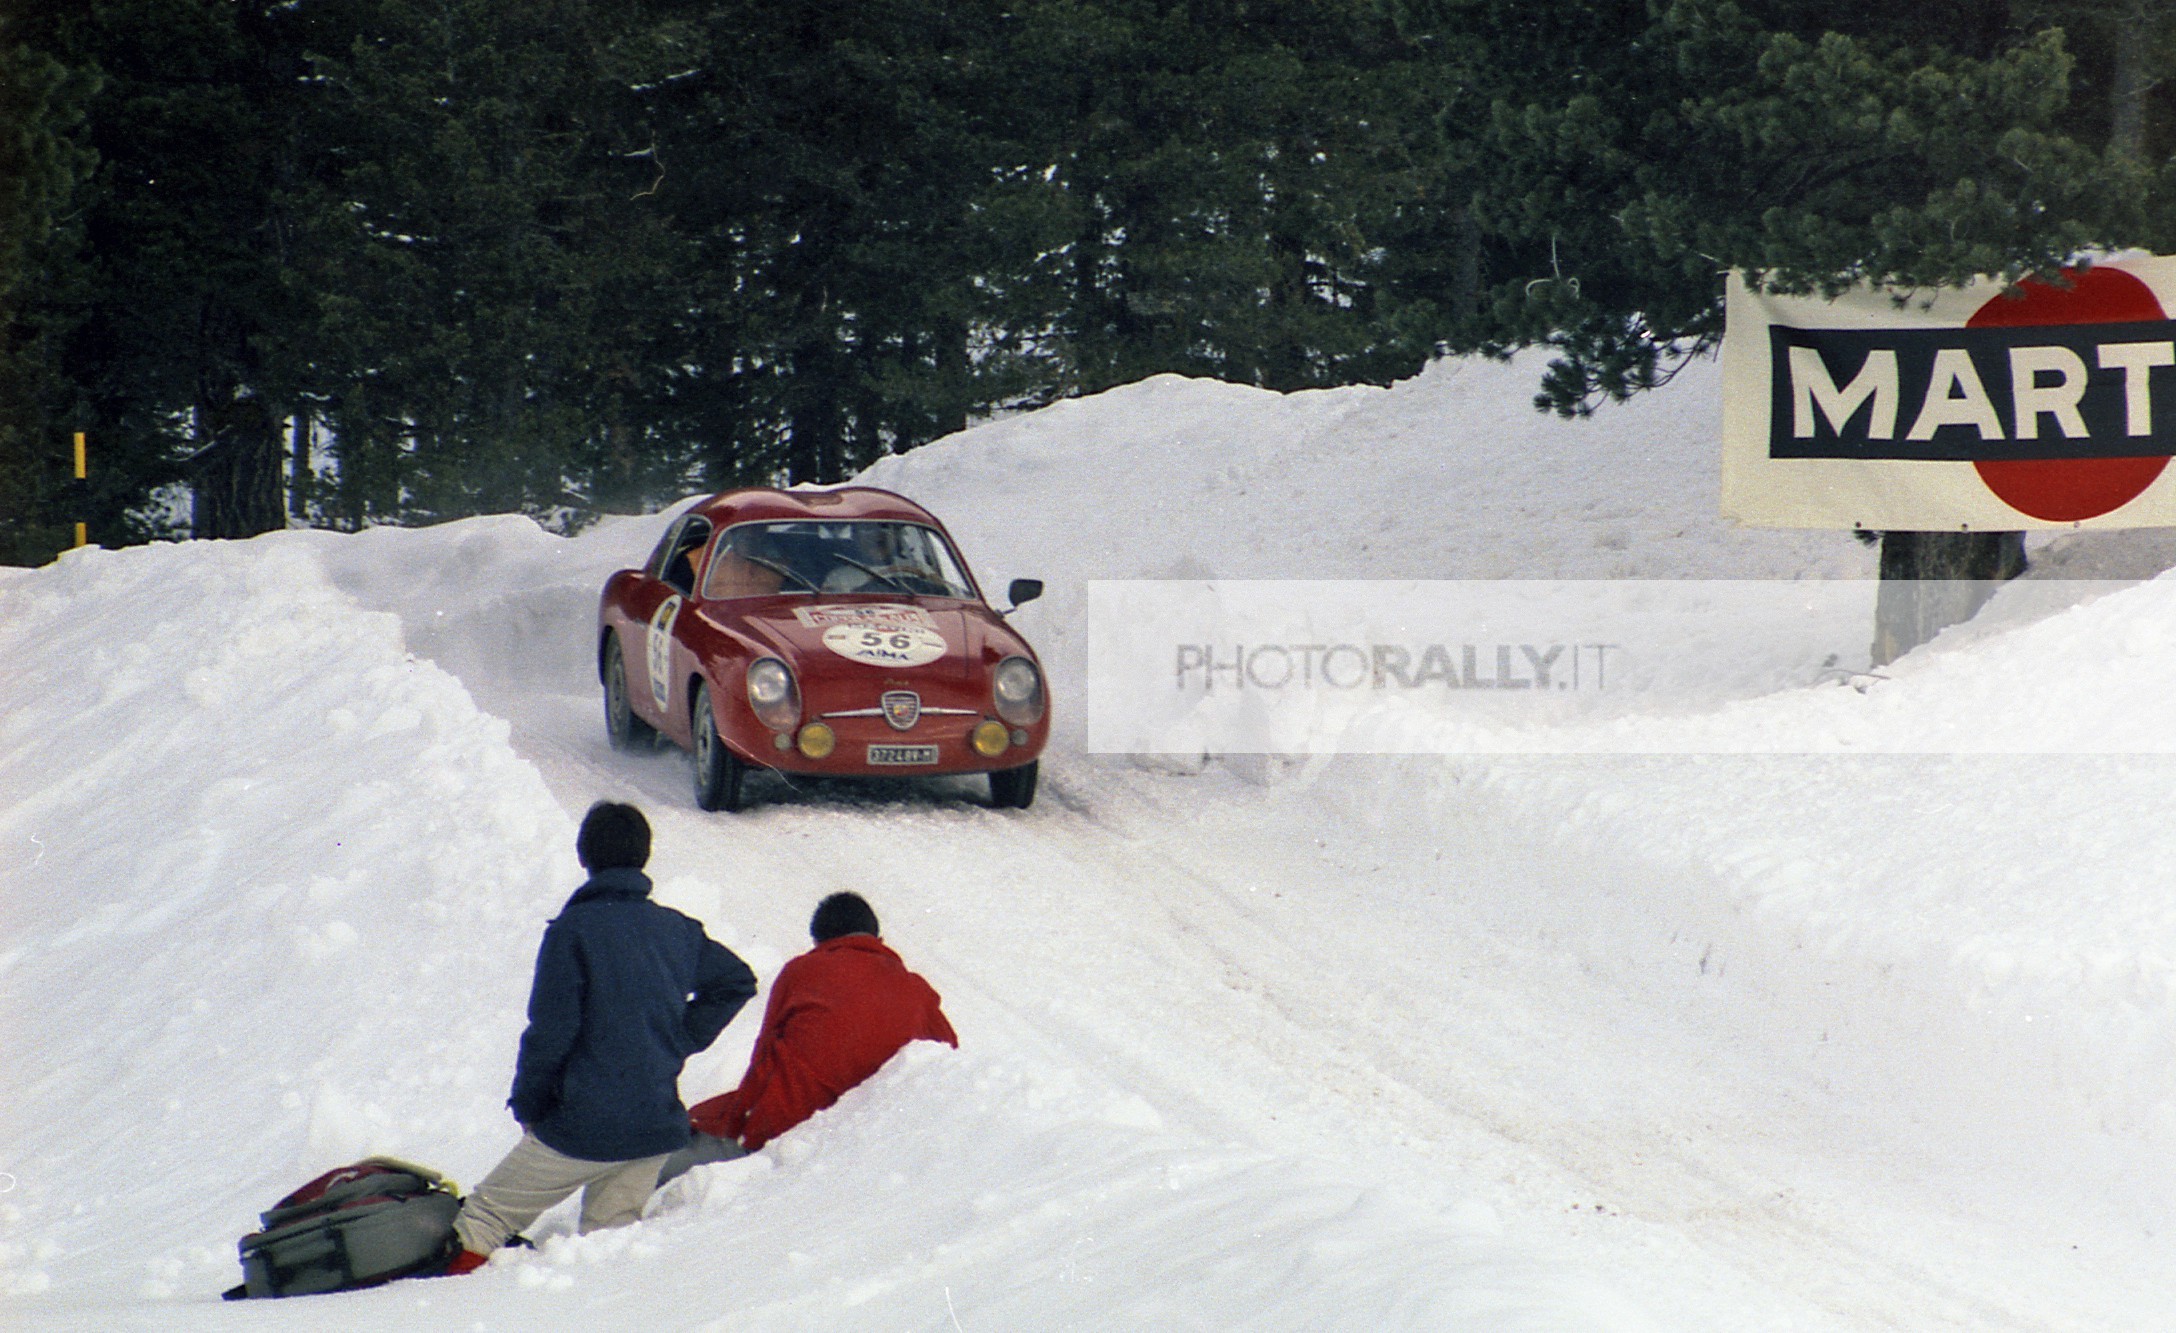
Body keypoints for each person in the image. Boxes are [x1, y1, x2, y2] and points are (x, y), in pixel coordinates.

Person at [442, 802, 757, 1274]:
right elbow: (736, 981)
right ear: (644, 856)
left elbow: (550, 1033)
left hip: (580, 1129)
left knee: (485, 1218)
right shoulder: (678, 930)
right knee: (608, 1252)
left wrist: (530, 1105)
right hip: (652, 1129)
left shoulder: (574, 933)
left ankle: (429, 1310)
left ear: (583, 855)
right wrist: (677, 1039)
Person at [656, 892, 956, 1186]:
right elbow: (947, 1065)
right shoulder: (917, 990)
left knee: (656, 1164)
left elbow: (764, 1060)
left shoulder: (802, 972)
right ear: (876, 938)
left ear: (819, 940)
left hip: (781, 1129)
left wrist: (733, 1123)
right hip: (871, 1136)